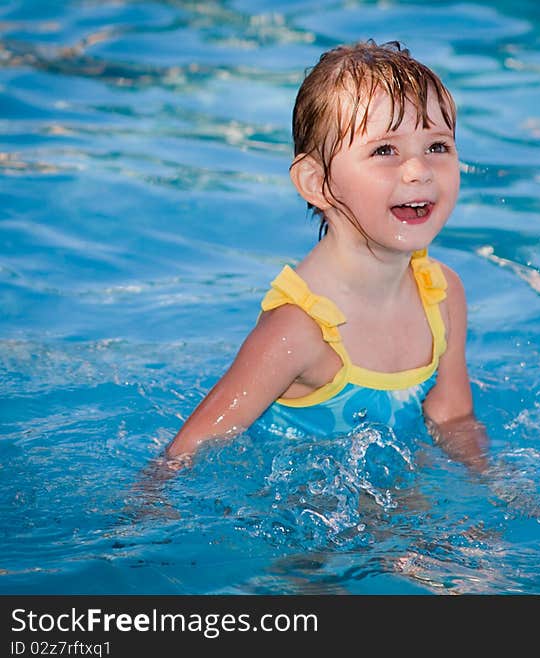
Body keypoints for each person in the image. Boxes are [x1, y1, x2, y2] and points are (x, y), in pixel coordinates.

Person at [164, 40, 487, 472]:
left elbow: (453, 419)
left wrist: (498, 486)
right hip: (289, 506)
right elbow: (186, 452)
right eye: (385, 150)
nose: (419, 170)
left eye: (437, 147)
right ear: (316, 182)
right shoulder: (298, 331)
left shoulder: (442, 295)